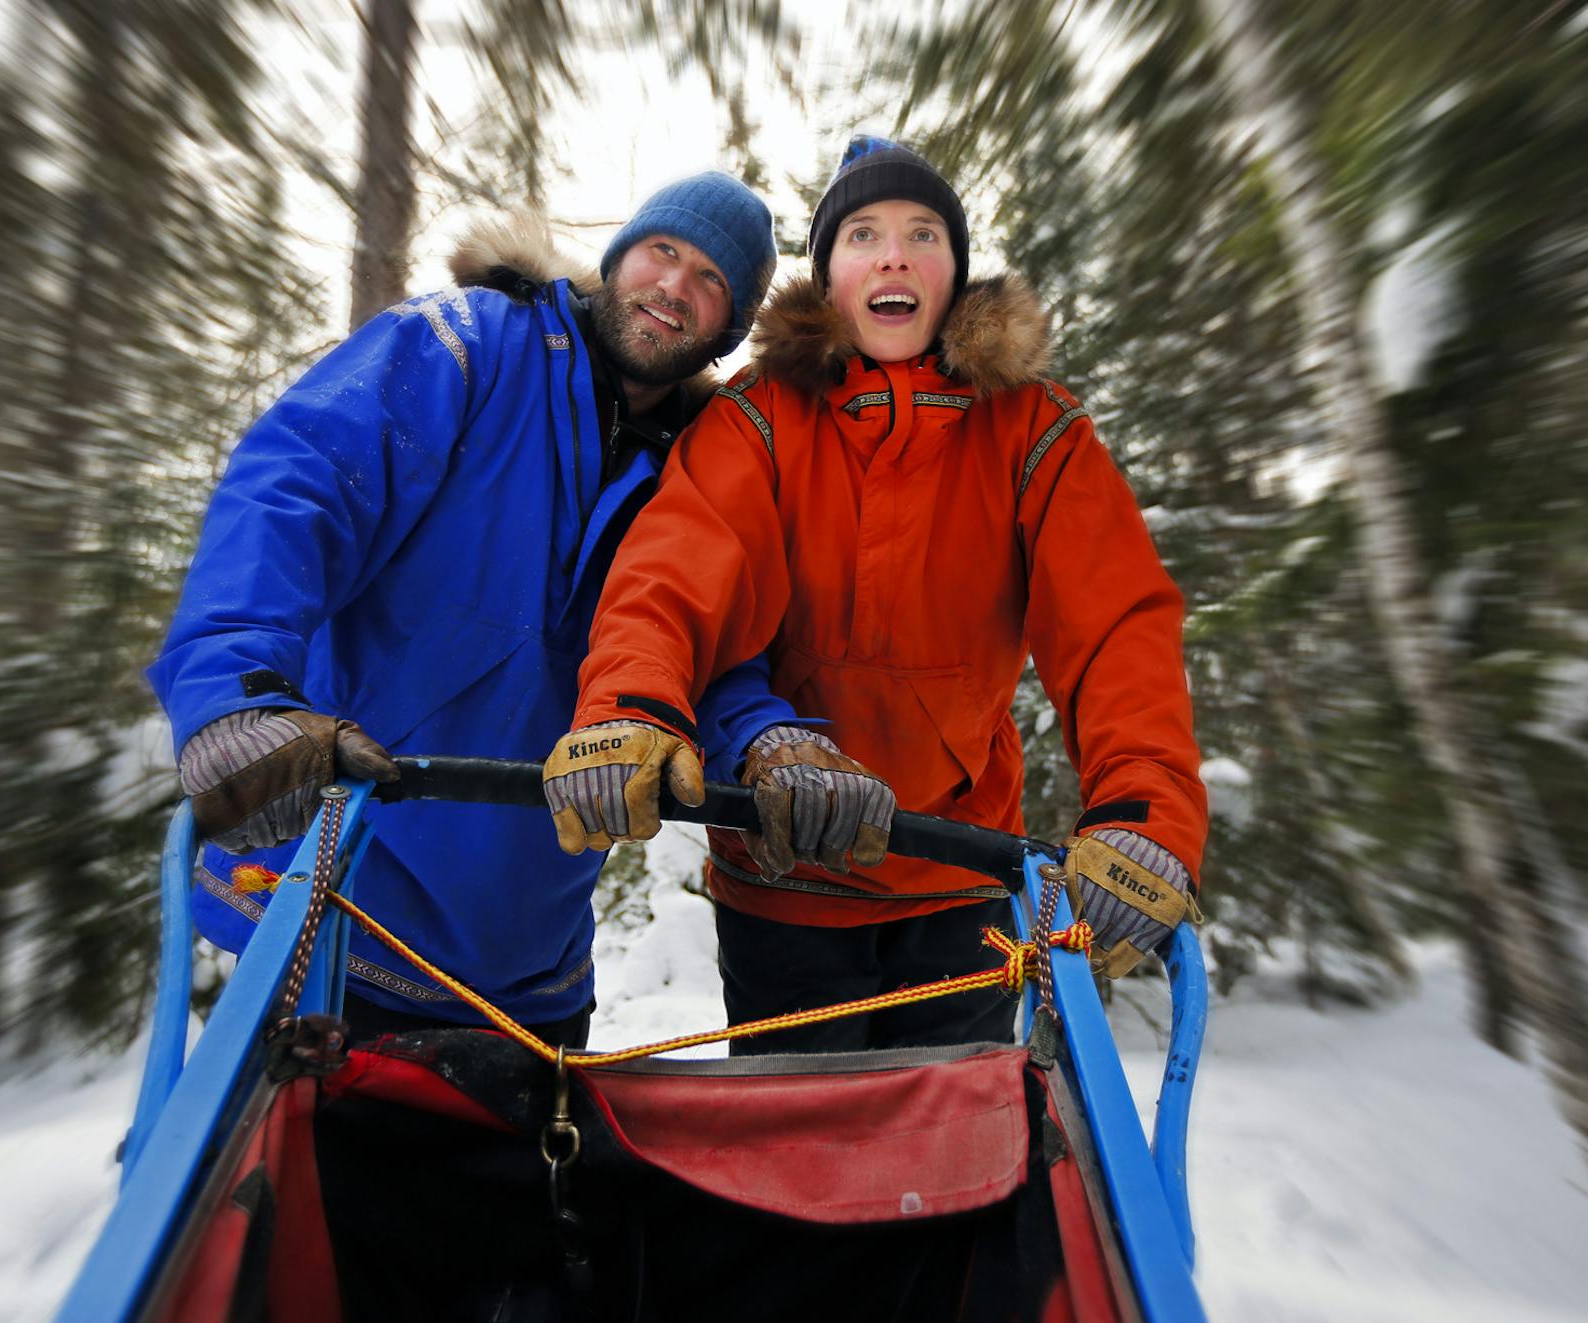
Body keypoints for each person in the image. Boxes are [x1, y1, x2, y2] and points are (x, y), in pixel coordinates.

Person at [543, 137, 1208, 1053]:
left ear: (954, 272)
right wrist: (628, 703)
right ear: (831, 275)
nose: (893, 254)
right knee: (793, 1161)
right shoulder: (760, 417)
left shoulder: (1032, 430)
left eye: (922, 233)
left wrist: (1143, 809)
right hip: (784, 868)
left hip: (961, 871)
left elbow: (1115, 624)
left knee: (953, 1159)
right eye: (863, 233)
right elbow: (673, 571)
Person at [150, 172, 805, 1050]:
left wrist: (767, 740)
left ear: (727, 328)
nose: (675, 289)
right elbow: (297, 485)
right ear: (621, 257)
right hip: (336, 909)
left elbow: (707, 646)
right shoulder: (466, 343)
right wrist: (235, 689)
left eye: (712, 281)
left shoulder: (701, 467)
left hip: (531, 964)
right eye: (665, 251)